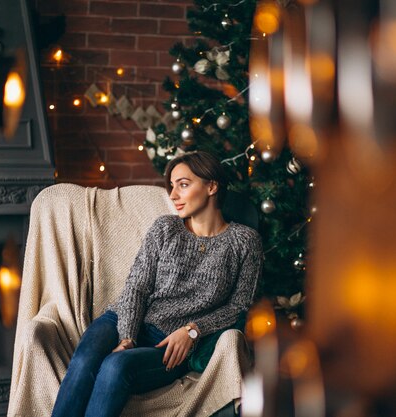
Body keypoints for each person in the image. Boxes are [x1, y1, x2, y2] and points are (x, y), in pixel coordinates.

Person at [51, 151, 263, 417]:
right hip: (123, 318)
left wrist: (193, 330)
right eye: (171, 186)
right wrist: (127, 336)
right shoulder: (165, 228)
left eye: (183, 185)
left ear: (211, 186)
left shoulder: (245, 241)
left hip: (171, 344)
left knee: (115, 367)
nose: (173, 195)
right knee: (83, 362)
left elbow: (239, 307)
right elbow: (136, 287)